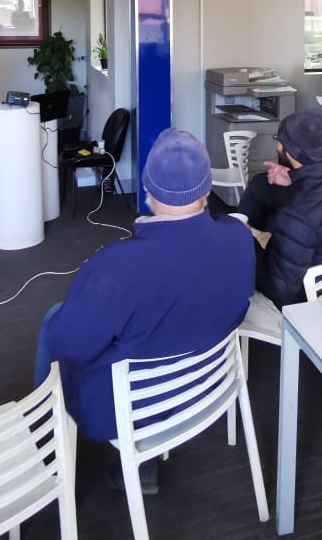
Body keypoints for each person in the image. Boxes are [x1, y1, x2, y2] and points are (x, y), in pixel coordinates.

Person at [33, 129, 254, 490]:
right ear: (206, 189)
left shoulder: (115, 267)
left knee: (53, 323)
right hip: (208, 387)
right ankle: (144, 459)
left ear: (148, 190)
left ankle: (43, 436)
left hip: (131, 404)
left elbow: (69, 344)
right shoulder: (238, 236)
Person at [237, 108, 322, 306]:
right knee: (261, 183)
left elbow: (279, 289)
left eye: (279, 140)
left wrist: (248, 239)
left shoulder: (296, 217)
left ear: (288, 151)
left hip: (296, 301)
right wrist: (293, 180)